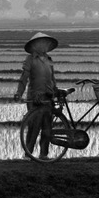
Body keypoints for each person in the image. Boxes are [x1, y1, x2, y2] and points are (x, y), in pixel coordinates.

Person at [14, 32, 59, 160]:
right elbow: (24, 78)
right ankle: (28, 153)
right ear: (35, 46)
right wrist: (19, 92)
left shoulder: (49, 60)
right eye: (40, 43)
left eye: (45, 43)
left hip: (48, 97)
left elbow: (52, 78)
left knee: (47, 127)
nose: (43, 45)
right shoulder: (30, 59)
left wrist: (56, 90)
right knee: (34, 126)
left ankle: (44, 154)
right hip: (35, 98)